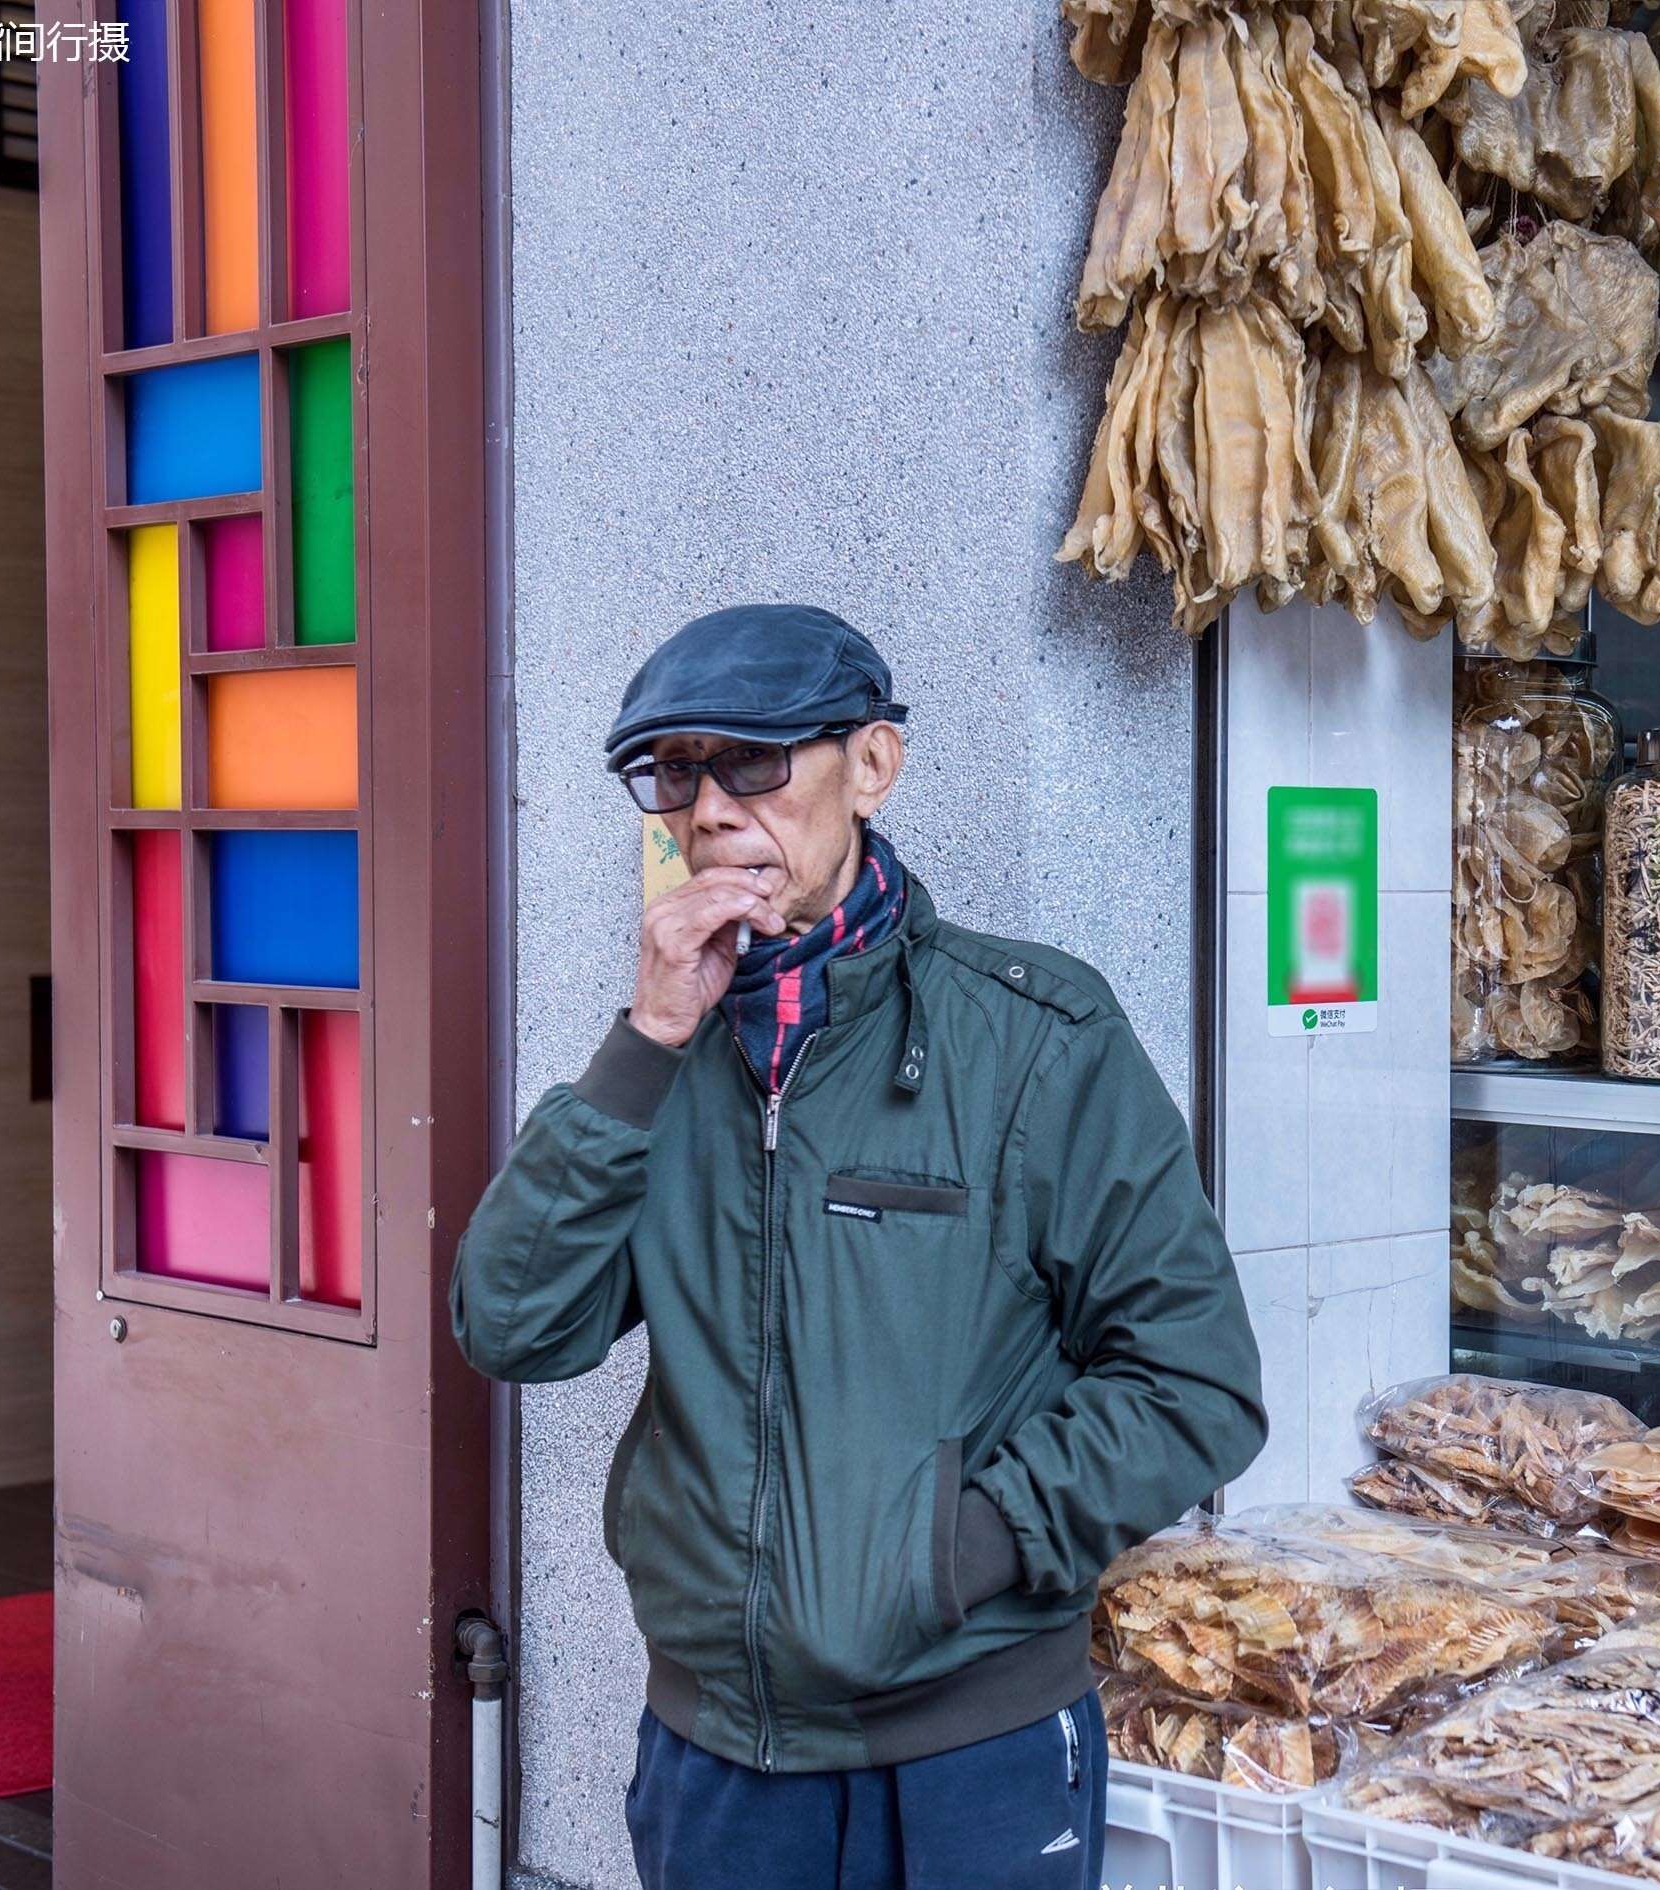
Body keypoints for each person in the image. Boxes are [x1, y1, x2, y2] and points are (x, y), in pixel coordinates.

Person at [452, 603, 1266, 1890]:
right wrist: (646, 1040)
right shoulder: (665, 1063)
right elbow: (511, 1325)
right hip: (713, 1755)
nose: (712, 807)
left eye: (756, 762)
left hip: (972, 1752)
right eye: (676, 772)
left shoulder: (1038, 1036)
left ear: (871, 766)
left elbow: (1196, 1384)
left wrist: (964, 1549)